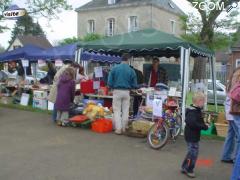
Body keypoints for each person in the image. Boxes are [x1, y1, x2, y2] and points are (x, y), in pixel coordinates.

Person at [108, 53, 137, 135]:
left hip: (116, 91)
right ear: (128, 60)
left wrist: (112, 86)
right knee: (126, 110)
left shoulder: (114, 68)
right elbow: (134, 84)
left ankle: (118, 129)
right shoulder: (131, 70)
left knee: (117, 110)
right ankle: (124, 128)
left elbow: (109, 82)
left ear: (121, 59)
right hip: (126, 92)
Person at [181, 92, 208, 178]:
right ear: (199, 101)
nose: (204, 103)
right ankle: (189, 169)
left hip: (193, 136)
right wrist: (203, 126)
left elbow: (198, 121)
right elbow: (193, 123)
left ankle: (184, 167)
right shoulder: (193, 111)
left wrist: (204, 124)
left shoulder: (196, 110)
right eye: (203, 101)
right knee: (193, 154)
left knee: (190, 153)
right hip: (191, 136)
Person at [221, 67, 240, 164]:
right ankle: (236, 158)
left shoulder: (230, 83)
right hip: (235, 113)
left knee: (231, 135)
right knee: (238, 137)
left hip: (230, 112)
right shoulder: (236, 84)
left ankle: (226, 155)